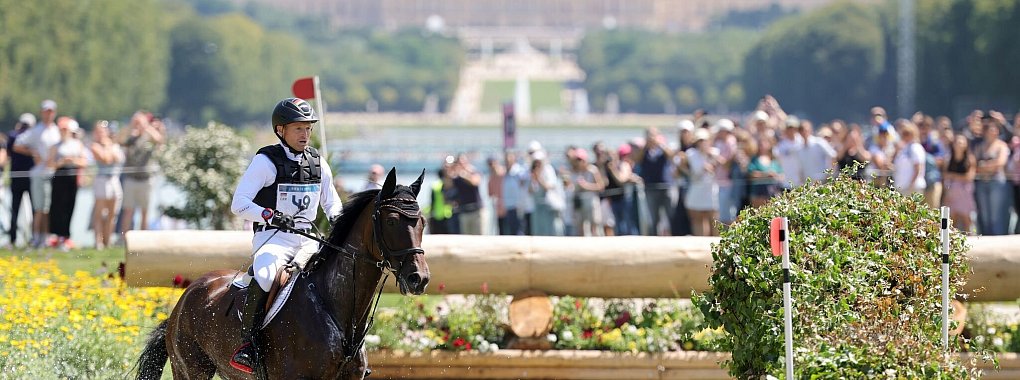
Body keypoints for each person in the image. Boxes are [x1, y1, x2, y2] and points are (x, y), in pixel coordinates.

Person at [228, 98, 343, 374]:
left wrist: (342, 225)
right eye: (298, 129)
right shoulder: (265, 161)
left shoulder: (318, 163)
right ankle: (250, 346)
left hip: (308, 240)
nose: (305, 135)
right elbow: (239, 204)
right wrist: (268, 214)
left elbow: (333, 205)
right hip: (274, 239)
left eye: (308, 129)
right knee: (266, 275)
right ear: (281, 130)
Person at [14, 100, 61, 248]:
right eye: (46, 111)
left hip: (53, 173)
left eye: (51, 111)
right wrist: (33, 153)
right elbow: (17, 144)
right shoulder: (36, 130)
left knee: (49, 208)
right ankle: (37, 237)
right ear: (42, 112)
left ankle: (46, 237)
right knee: (40, 208)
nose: (48, 114)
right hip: (39, 173)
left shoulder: (57, 130)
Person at [47, 117, 88, 250]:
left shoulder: (77, 144)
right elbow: (50, 164)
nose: (63, 132)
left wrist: (73, 160)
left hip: (72, 177)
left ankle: (66, 236)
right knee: (57, 207)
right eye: (61, 130)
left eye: (65, 129)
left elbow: (84, 162)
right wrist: (61, 162)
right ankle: (57, 235)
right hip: (59, 178)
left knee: (70, 206)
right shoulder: (55, 146)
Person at [120, 112, 164, 234]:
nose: (138, 125)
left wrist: (147, 127)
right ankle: (125, 239)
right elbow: (120, 140)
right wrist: (131, 128)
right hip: (131, 179)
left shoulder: (149, 137)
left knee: (145, 211)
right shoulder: (130, 137)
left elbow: (159, 140)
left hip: (146, 179)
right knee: (128, 211)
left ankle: (143, 239)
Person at [90, 121, 124, 249]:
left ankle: (107, 241)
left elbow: (118, 158)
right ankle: (98, 241)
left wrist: (108, 146)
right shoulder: (95, 145)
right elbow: (107, 159)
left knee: (112, 214)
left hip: (114, 180)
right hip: (102, 180)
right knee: (99, 214)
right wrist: (108, 147)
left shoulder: (112, 145)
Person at [7, 113, 35, 247]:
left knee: (15, 209)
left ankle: (13, 239)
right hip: (28, 177)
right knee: (33, 210)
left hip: (18, 177)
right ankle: (32, 238)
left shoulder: (13, 135)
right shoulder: (32, 136)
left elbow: (9, 152)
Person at [941, 135, 976, 233]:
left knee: (967, 217)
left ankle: (972, 237)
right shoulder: (948, 159)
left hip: (965, 192)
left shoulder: (970, 159)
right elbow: (945, 175)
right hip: (951, 191)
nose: (959, 145)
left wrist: (953, 176)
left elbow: (969, 177)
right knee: (952, 219)